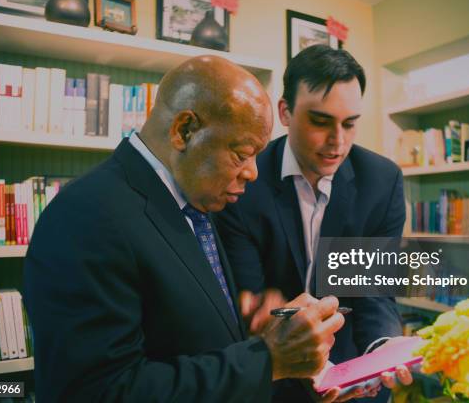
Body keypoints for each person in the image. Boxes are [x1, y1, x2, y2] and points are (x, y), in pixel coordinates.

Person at [24, 55, 349, 402]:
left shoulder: (197, 199)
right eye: (241, 154)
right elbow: (99, 391)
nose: (252, 173)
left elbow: (203, 343)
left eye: (352, 123)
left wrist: (288, 362)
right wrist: (267, 358)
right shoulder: (85, 215)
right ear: (184, 131)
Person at [215, 45, 411, 402]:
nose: (338, 141)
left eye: (350, 123)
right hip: (273, 375)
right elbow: (250, 295)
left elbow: (373, 290)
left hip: (356, 375)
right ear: (285, 112)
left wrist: (383, 347)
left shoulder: (381, 182)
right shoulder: (244, 179)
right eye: (321, 122)